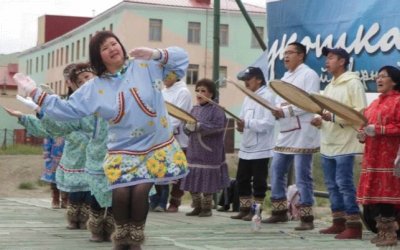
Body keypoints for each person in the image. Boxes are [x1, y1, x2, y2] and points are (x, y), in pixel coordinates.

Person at [14, 31, 189, 250]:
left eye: (114, 43)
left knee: (142, 189)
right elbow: (67, 109)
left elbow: (181, 59)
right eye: (105, 48)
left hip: (154, 144)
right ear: (99, 58)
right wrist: (34, 93)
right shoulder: (95, 87)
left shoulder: (145, 66)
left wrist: (155, 53)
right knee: (122, 191)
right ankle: (121, 234)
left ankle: (135, 238)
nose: (112, 49)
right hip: (122, 147)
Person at [263, 42, 320, 230]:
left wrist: (284, 112)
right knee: (277, 170)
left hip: (303, 131)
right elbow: (281, 102)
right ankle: (279, 211)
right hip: (286, 130)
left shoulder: (309, 74)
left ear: (301, 55)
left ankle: (306, 217)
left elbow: (309, 102)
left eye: (290, 53)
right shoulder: (285, 76)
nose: (285, 56)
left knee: (303, 175)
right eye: (284, 53)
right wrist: (276, 110)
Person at [310, 47, 367, 239]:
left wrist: (332, 117)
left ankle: (354, 225)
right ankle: (338, 222)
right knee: (331, 185)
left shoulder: (353, 83)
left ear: (342, 61)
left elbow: (360, 113)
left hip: (345, 143)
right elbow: (326, 113)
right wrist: (320, 120)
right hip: (328, 141)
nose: (327, 61)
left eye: (331, 57)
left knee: (344, 184)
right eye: (327, 58)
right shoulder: (330, 86)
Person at [356, 66, 400, 247]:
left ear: (395, 81)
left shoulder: (398, 101)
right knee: (377, 196)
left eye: (384, 76)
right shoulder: (374, 103)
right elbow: (365, 125)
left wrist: (380, 129)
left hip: (390, 158)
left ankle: (391, 233)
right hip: (372, 158)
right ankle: (382, 231)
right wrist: (362, 134)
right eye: (377, 76)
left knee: (387, 196)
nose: (378, 79)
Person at [230, 67, 275, 221]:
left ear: (259, 79)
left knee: (259, 182)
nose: (246, 83)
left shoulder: (267, 96)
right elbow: (242, 119)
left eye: (248, 79)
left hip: (261, 148)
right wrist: (240, 126)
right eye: (244, 80)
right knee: (241, 179)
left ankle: (256, 212)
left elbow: (268, 124)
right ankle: (244, 209)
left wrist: (247, 123)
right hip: (246, 147)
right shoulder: (248, 97)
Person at [180, 78, 230, 217]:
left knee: (207, 181)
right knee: (191, 177)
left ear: (211, 94)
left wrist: (200, 126)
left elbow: (218, 128)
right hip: (194, 149)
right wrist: (187, 127)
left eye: (203, 91)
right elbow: (187, 128)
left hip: (210, 151)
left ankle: (207, 208)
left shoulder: (218, 110)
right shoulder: (193, 109)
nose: (199, 93)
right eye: (197, 90)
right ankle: (197, 206)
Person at [159, 71, 192, 213]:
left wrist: (164, 132)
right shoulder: (162, 91)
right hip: (161, 137)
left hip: (179, 139)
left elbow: (177, 118)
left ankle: (175, 202)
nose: (164, 77)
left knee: (178, 172)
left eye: (168, 74)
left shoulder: (183, 92)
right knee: (162, 170)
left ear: (176, 74)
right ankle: (159, 201)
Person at [42, 136, 66, 209]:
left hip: (68, 157)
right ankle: (55, 198)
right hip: (53, 158)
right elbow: (47, 142)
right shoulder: (51, 127)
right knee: (54, 178)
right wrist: (47, 156)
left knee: (67, 178)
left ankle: (65, 198)